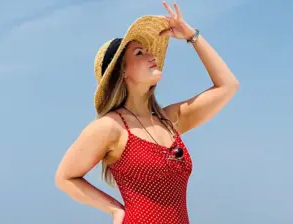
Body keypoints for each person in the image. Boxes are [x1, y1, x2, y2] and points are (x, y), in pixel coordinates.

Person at [55, 1, 240, 224]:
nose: (151, 56)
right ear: (122, 72)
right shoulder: (110, 127)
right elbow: (65, 177)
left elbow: (228, 86)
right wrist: (115, 210)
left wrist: (192, 36)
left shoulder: (170, 120)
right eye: (140, 53)